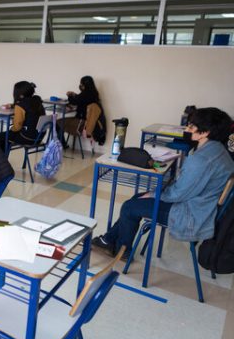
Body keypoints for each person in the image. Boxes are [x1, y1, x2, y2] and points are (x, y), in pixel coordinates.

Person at [92, 107, 234, 261]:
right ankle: (108, 241)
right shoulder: (218, 150)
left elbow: (178, 194)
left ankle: (123, 251)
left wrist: (154, 193)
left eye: (191, 126)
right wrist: (156, 192)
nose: (186, 129)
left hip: (190, 215)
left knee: (129, 207)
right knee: (137, 199)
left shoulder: (202, 160)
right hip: (200, 208)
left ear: (205, 132)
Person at [0, 81, 45, 153]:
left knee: (1, 136)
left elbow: (17, 127)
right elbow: (28, 107)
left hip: (27, 138)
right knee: (8, 136)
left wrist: (11, 129)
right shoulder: (37, 101)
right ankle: (3, 157)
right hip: (38, 137)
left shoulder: (20, 105)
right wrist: (12, 105)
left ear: (20, 94)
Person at [60, 75, 102, 148]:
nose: (80, 85)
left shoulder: (85, 94)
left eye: (81, 84)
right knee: (60, 122)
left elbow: (74, 102)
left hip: (81, 123)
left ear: (84, 84)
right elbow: (81, 99)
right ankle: (63, 144)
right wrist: (75, 95)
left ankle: (61, 145)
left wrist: (69, 95)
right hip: (89, 123)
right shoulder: (94, 93)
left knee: (57, 123)